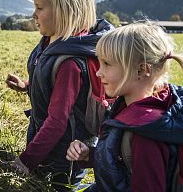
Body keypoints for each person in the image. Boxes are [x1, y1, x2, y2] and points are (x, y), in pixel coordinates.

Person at [6, 0, 113, 190]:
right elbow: (55, 92)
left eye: (40, 8)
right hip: (43, 145)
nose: (33, 14)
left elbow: (57, 123)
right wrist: (27, 86)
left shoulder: (70, 64)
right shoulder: (49, 43)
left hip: (63, 159)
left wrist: (25, 161)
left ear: (66, 12)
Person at [66, 21, 183, 191]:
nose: (98, 72)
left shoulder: (145, 134)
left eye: (107, 64)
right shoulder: (148, 105)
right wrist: (89, 155)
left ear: (141, 70)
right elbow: (124, 161)